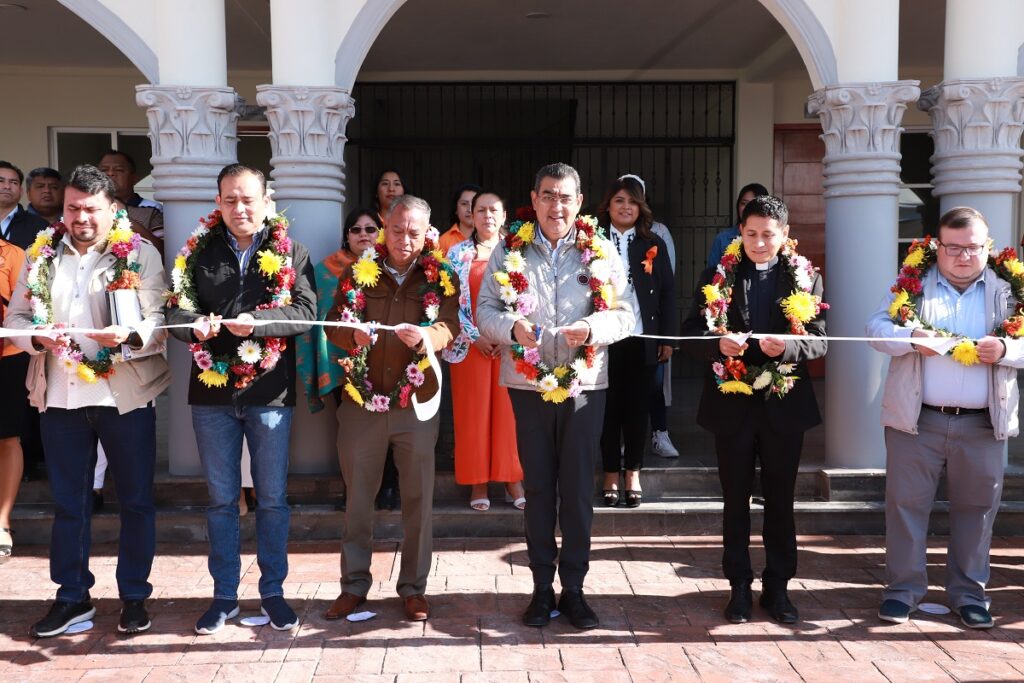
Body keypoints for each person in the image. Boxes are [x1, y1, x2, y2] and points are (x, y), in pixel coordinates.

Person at [5, 164, 169, 637]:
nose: (81, 218)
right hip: (60, 396)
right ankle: (72, 597)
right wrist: (37, 339)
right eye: (73, 207)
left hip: (123, 395)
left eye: (91, 209)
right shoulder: (42, 254)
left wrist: (129, 333)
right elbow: (17, 317)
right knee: (70, 503)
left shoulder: (137, 253)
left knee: (135, 500)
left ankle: (135, 597)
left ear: (111, 208)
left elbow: (157, 317)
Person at [476, 162, 636, 630]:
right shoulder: (511, 248)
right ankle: (542, 589)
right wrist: (511, 329)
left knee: (577, 491)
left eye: (565, 197)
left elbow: (627, 315)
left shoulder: (601, 250)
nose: (556, 205)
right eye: (548, 196)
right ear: (534, 197)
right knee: (540, 488)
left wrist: (592, 327)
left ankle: (575, 591)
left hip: (586, 386)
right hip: (527, 386)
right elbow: (485, 309)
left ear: (580, 202)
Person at [165, 163, 316, 635]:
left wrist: (261, 322)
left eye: (248, 198)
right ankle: (224, 597)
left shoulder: (292, 251)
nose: (239, 208)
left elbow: (308, 313)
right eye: (230, 199)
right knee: (221, 500)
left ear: (267, 202)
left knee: (272, 499)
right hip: (211, 394)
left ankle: (273, 593)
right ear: (218, 203)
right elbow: (175, 309)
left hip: (270, 393)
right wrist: (194, 324)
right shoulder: (197, 251)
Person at [867, 206, 1024, 630]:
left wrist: (1008, 351)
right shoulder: (911, 285)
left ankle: (969, 594)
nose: (963, 256)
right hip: (916, 420)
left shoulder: (1009, 288)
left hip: (982, 424)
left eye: (972, 248)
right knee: (905, 506)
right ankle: (903, 591)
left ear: (988, 248)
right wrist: (910, 338)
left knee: (977, 509)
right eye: (953, 247)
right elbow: (875, 331)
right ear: (936, 247)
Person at [680, 194, 827, 625]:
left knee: (781, 501)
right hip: (733, 405)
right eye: (751, 234)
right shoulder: (717, 275)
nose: (759, 243)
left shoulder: (806, 278)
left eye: (768, 235)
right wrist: (716, 344)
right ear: (739, 233)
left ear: (784, 236)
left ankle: (778, 588)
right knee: (735, 501)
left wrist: (790, 347)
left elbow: (820, 338)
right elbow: (692, 330)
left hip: (784, 406)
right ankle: (739, 587)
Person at [323, 195, 460, 623]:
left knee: (418, 500)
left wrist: (427, 337)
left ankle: (414, 589)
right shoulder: (357, 271)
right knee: (358, 500)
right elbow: (333, 324)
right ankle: (353, 586)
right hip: (362, 405)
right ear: (385, 224)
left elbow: (451, 326)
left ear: (427, 231)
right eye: (397, 230)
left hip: (415, 406)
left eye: (414, 232)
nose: (404, 240)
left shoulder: (441, 274)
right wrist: (353, 337)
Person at [296, 208, 383, 510]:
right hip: (340, 362)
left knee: (387, 429)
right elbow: (317, 317)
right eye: (355, 229)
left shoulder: (392, 267)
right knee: (351, 431)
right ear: (346, 235)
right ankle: (355, 493)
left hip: (385, 361)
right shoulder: (325, 271)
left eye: (370, 229)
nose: (363, 235)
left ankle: (387, 489)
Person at [597, 176, 676, 508]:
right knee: (607, 411)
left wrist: (667, 338)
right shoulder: (592, 241)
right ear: (608, 205)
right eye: (619, 200)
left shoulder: (651, 242)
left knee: (636, 411)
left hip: (642, 337)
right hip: (602, 340)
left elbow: (669, 293)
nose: (625, 207)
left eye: (632, 201)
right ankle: (610, 474)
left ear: (640, 207)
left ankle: (633, 473)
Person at [443, 191, 525, 511]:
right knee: (472, 415)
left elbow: (528, 302)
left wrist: (505, 333)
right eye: (480, 210)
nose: (487, 215)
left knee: (509, 414)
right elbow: (449, 302)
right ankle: (478, 481)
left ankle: (512, 478)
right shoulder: (456, 253)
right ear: (470, 216)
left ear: (504, 216)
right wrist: (475, 334)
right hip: (470, 346)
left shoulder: (519, 251)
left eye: (494, 210)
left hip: (508, 345)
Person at [0, 236, 27, 559]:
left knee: (7, 437)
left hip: (7, 356)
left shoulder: (12, 253)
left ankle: (2, 521)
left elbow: (22, 307)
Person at [706, 182, 769, 269]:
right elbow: (711, 276)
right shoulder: (722, 239)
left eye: (753, 203)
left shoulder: (773, 239)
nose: (747, 208)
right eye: (743, 203)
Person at [0, 160, 49, 249]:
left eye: (14, 182)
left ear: (21, 191)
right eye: (1, 181)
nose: (7, 186)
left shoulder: (40, 226)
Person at [438, 183, 481, 255]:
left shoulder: (492, 237)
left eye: (474, 203)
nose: (470, 209)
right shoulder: (444, 240)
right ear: (456, 209)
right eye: (464, 204)